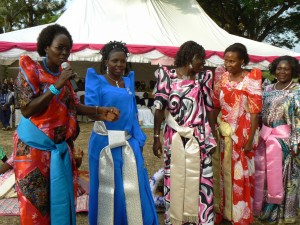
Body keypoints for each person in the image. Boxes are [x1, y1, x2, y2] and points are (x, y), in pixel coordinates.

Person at [13, 24, 119, 225]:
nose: (64, 53)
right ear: (46, 47)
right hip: (33, 152)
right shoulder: (31, 70)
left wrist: (100, 112)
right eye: (59, 48)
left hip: (60, 150)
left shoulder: (65, 75)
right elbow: (27, 110)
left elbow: (74, 106)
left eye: (67, 48)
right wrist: (55, 86)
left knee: (60, 203)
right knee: (36, 207)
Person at [85, 41, 159, 225]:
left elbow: (132, 113)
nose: (119, 65)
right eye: (114, 61)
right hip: (104, 143)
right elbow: (89, 111)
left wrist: (138, 139)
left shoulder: (128, 81)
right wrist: (103, 111)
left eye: (122, 61)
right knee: (108, 188)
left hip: (128, 142)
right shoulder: (97, 80)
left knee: (133, 187)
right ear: (106, 62)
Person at [152, 40, 216, 225]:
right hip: (174, 137)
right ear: (189, 57)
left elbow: (209, 108)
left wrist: (214, 137)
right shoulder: (166, 75)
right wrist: (156, 138)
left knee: (203, 179)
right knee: (175, 176)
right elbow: (159, 108)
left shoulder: (204, 77)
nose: (202, 63)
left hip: (200, 137)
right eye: (200, 59)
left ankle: (201, 219)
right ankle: (177, 219)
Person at [212, 43, 262, 225]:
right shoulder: (222, 77)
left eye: (232, 61)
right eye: (226, 60)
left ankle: (239, 215)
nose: (228, 64)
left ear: (242, 61)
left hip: (242, 134)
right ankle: (225, 212)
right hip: (223, 132)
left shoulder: (251, 79)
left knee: (239, 173)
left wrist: (249, 141)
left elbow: (255, 112)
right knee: (223, 171)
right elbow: (216, 105)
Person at [253, 55, 300, 224]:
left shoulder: (296, 90)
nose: (282, 71)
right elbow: (260, 113)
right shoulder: (267, 88)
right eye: (279, 68)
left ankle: (281, 214)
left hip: (285, 141)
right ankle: (266, 211)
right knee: (264, 175)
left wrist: (296, 142)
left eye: (286, 68)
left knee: (281, 178)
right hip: (266, 138)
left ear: (293, 70)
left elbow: (299, 119)